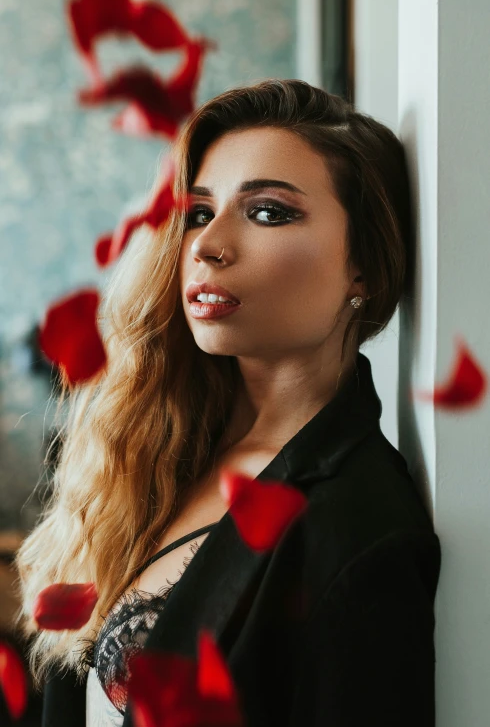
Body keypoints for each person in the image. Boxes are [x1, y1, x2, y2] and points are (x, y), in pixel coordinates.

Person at [14, 79, 441, 727]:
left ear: (364, 270)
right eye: (199, 213)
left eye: (269, 212)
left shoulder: (356, 525)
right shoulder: (160, 445)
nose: (208, 246)